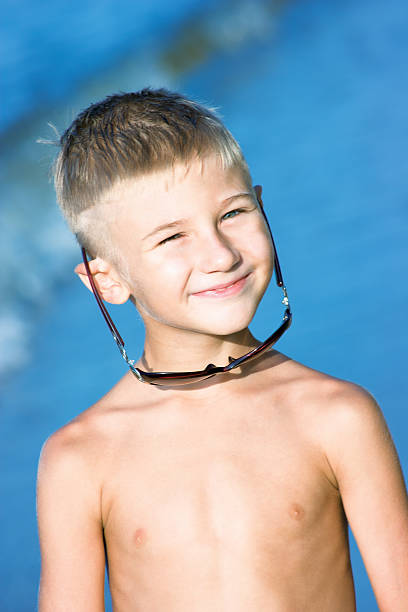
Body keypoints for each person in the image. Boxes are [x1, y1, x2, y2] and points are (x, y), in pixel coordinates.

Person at [36, 87, 408, 611]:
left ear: (260, 205)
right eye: (171, 238)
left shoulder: (336, 416)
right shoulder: (80, 458)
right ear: (107, 281)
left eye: (232, 214)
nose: (219, 254)